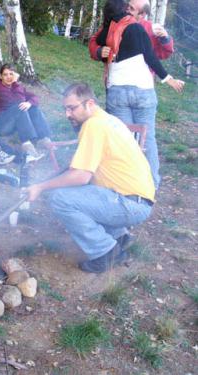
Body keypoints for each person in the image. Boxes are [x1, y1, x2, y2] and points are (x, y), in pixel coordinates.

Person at [26, 83, 155, 273]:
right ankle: (120, 237)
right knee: (70, 192)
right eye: (65, 109)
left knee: (60, 198)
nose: (67, 114)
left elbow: (81, 176)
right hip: (137, 197)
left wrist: (41, 187)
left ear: (90, 103)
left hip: (130, 203)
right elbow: (81, 168)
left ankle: (105, 253)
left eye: (72, 108)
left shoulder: (93, 125)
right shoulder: (109, 120)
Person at [93, 0, 184, 188]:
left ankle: (127, 185)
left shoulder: (115, 27)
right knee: (145, 137)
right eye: (128, 6)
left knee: (123, 138)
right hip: (141, 90)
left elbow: (164, 51)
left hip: (117, 90)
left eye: (132, 7)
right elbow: (150, 57)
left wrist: (165, 37)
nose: (128, 8)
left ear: (142, 14)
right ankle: (148, 185)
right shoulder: (135, 28)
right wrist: (168, 79)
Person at [0, 63, 53, 163]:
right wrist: (15, 83)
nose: (8, 77)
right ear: (0, 76)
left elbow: (34, 97)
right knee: (20, 107)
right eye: (5, 74)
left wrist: (29, 103)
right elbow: (17, 101)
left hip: (11, 122)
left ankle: (43, 139)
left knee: (33, 108)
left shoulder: (15, 87)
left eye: (11, 74)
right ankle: (27, 148)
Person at [89, 0, 174, 63]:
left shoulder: (151, 29)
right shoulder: (116, 21)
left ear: (142, 14)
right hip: (114, 80)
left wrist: (165, 39)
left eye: (132, 9)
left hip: (141, 83)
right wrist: (98, 51)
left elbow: (164, 54)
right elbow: (93, 40)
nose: (127, 10)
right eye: (127, 6)